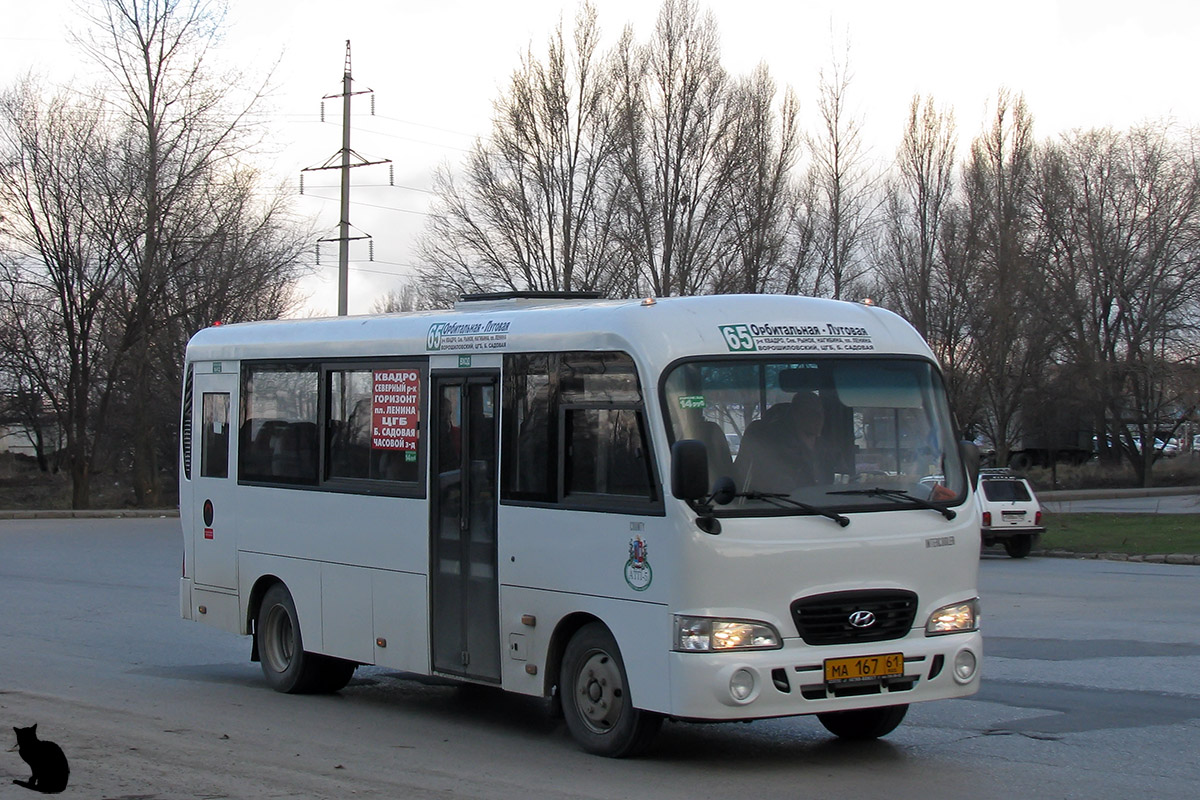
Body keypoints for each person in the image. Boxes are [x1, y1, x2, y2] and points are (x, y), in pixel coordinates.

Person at [735, 391, 829, 493]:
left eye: (821, 412)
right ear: (797, 415)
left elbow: (844, 471)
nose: (819, 417)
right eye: (812, 412)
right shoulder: (773, 450)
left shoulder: (825, 448)